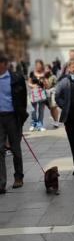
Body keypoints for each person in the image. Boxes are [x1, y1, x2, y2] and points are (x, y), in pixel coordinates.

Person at [0, 52, 27, 194]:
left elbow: (23, 99)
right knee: (0, 151)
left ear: (4, 64)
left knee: (15, 149)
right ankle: (1, 183)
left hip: (12, 117)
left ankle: (18, 177)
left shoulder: (16, 78)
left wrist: (21, 117)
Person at [28, 59, 49, 130]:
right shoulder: (32, 73)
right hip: (34, 94)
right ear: (35, 66)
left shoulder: (45, 74)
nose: (38, 67)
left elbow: (47, 85)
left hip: (42, 94)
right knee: (33, 110)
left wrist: (44, 82)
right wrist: (33, 85)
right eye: (37, 65)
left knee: (41, 111)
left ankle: (40, 125)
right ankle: (33, 123)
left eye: (40, 65)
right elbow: (29, 83)